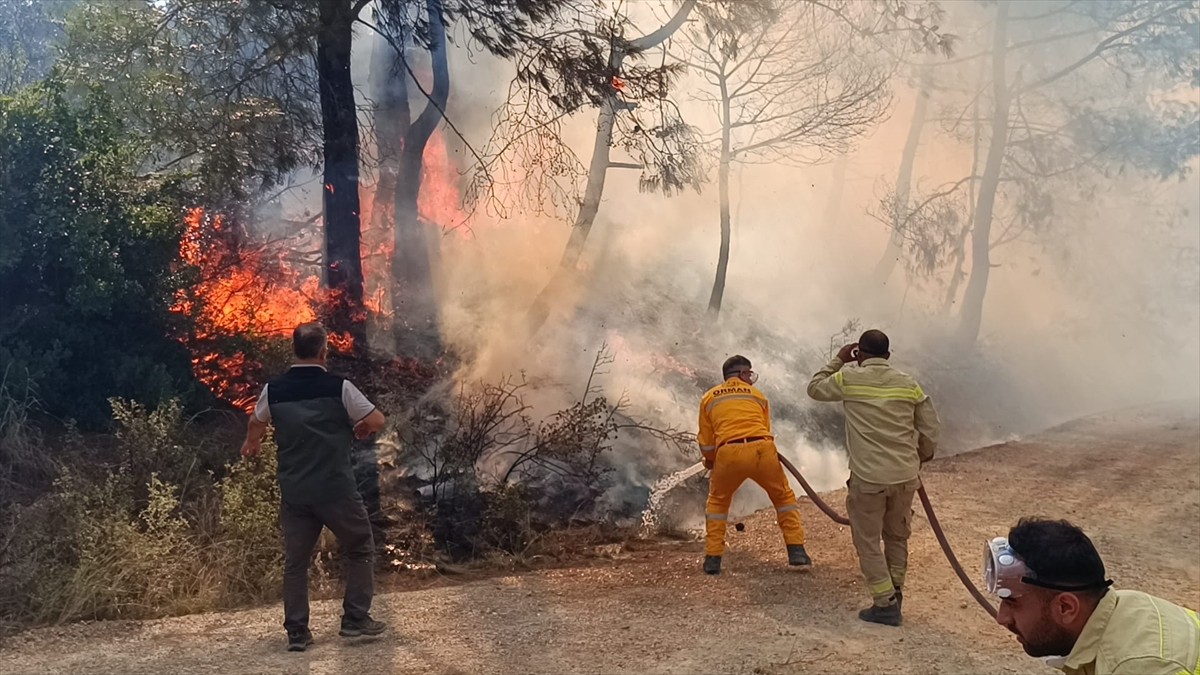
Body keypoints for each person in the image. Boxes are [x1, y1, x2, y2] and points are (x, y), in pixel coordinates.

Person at [241, 322, 389, 652]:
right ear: (323, 352)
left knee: (296, 562)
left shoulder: (274, 389)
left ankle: (297, 632)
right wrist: (362, 427)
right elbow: (378, 420)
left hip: (296, 491)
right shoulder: (339, 387)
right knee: (361, 545)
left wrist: (251, 443)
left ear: (294, 350)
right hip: (336, 489)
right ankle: (354, 619)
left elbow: (256, 421)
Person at [806, 329, 939, 626]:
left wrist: (838, 361)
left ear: (859, 354)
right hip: (905, 477)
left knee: (867, 541)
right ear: (888, 356)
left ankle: (885, 604)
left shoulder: (849, 379)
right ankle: (896, 592)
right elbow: (930, 427)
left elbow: (814, 388)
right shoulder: (909, 384)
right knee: (896, 536)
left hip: (869, 480)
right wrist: (922, 454)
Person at [987, 518, 1199, 674]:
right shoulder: (1124, 607)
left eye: (1012, 603)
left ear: (1066, 607)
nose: (1001, 618)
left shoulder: (1138, 667)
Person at [697, 355, 811, 575]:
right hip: (762, 449)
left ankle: (713, 560)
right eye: (749, 374)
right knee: (783, 497)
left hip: (728, 452)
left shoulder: (709, 398)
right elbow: (764, 428)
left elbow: (706, 440)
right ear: (741, 374)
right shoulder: (758, 395)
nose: (751, 378)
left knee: (718, 503)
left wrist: (711, 461)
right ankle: (796, 551)